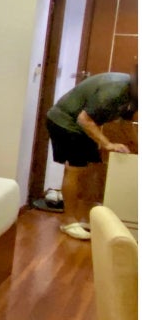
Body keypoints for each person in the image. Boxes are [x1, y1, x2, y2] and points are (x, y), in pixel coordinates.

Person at [46, 67, 137, 240]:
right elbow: (84, 119)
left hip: (80, 125)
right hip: (65, 121)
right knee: (75, 169)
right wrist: (107, 144)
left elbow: (126, 122)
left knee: (90, 167)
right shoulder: (115, 90)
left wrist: (136, 148)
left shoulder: (134, 93)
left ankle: (79, 216)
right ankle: (68, 221)